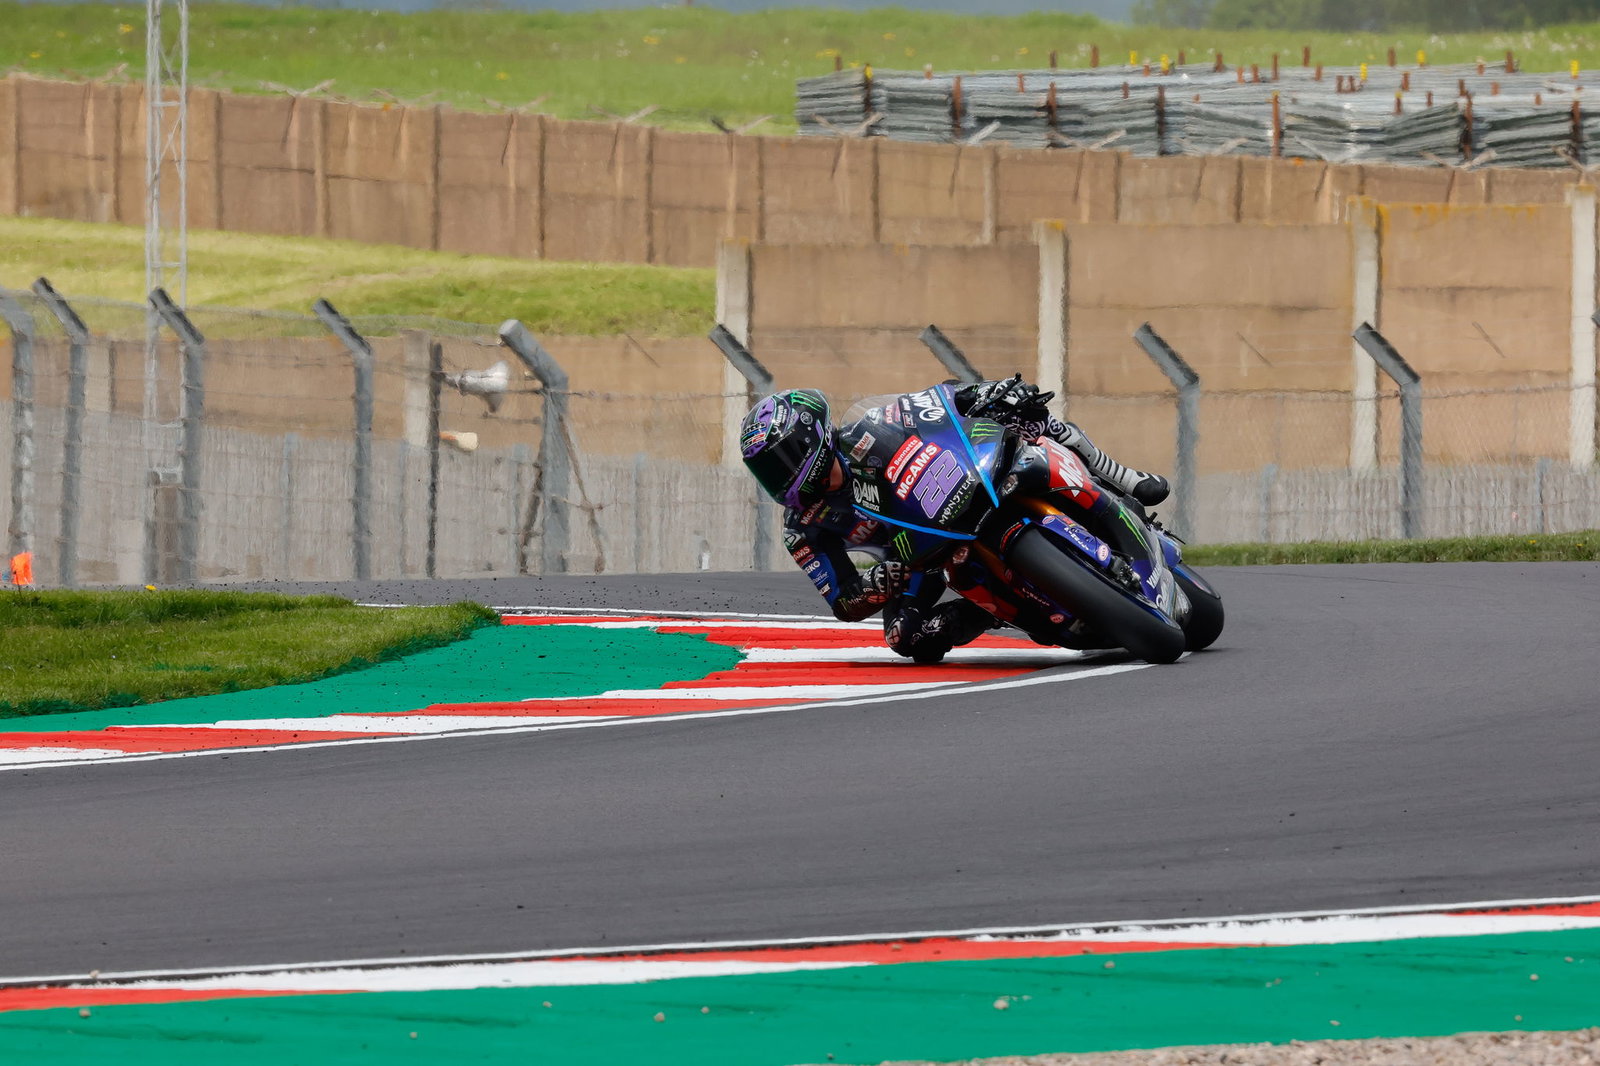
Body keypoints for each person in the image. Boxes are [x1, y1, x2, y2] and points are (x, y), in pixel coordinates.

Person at [739, 376, 1170, 663]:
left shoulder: (873, 426)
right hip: (915, 557)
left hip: (960, 485)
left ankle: (1121, 477)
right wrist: (875, 585)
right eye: (766, 471)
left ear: (811, 436)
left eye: (780, 461)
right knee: (905, 638)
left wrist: (987, 392)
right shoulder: (802, 527)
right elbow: (842, 600)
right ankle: (1001, 610)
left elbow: (940, 400)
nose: (778, 477)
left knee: (1031, 420)